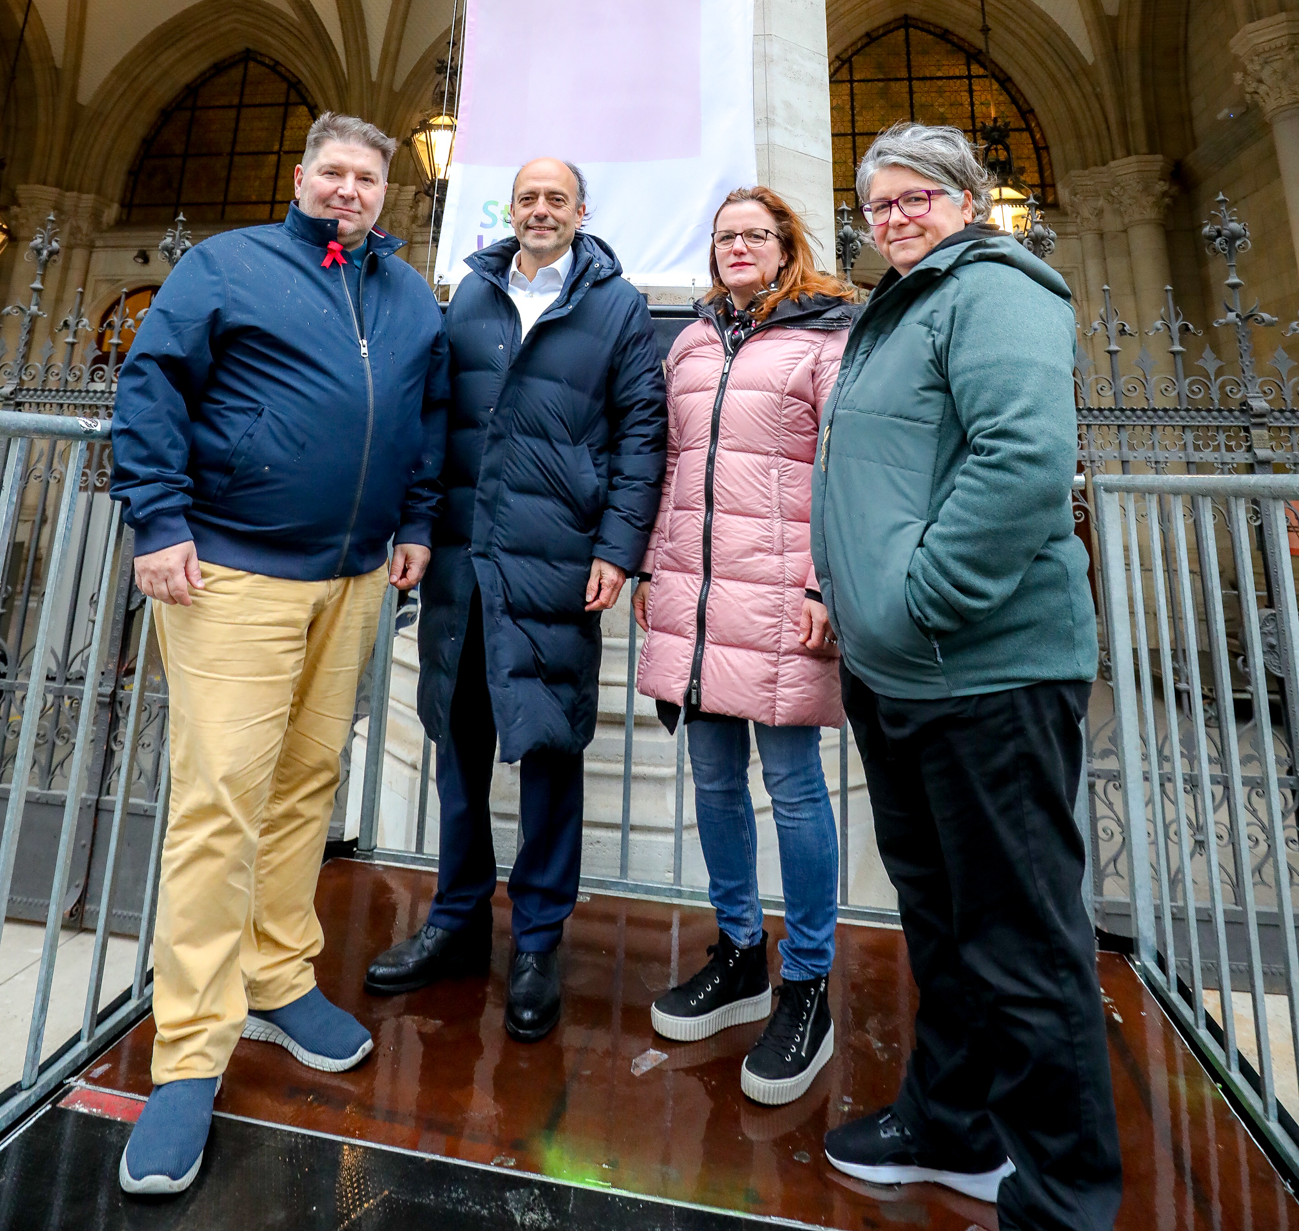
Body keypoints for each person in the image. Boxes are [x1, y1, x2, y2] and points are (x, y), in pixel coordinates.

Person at [108, 113, 448, 1198]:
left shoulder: (406, 295)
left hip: (352, 576)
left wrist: (416, 521)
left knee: (307, 780)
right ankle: (190, 1052)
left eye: (368, 176)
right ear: (302, 178)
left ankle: (277, 971)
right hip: (234, 571)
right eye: (334, 171)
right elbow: (153, 380)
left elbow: (424, 419)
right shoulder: (229, 262)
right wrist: (157, 519)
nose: (350, 188)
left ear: (386, 193)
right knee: (221, 797)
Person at [812, 122, 1121, 1230]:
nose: (894, 218)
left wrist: (918, 598)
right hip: (902, 671)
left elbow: (1021, 461)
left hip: (983, 666)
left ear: (966, 200)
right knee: (943, 920)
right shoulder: (897, 306)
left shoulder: (996, 290)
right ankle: (950, 1121)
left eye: (916, 198)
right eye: (878, 204)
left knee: (1022, 938)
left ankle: (1065, 1198)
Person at [364, 158, 666, 1041]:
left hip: (556, 562)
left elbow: (642, 434)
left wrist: (618, 548)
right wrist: (417, 527)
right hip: (461, 558)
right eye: (528, 198)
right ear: (512, 210)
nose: (541, 210)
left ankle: (536, 942)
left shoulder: (616, 306)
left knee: (549, 751)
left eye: (556, 199)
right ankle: (456, 922)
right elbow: (431, 421)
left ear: (582, 211)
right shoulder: (468, 294)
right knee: (458, 751)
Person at [634, 187, 855, 1107]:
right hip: (693, 592)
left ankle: (806, 983)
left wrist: (823, 584)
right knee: (715, 780)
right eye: (723, 235)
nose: (736, 247)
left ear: (785, 246)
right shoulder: (687, 341)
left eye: (754, 234)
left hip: (780, 596)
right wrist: (650, 570)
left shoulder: (825, 339)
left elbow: (844, 468)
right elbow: (670, 468)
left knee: (795, 789)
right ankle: (739, 954)